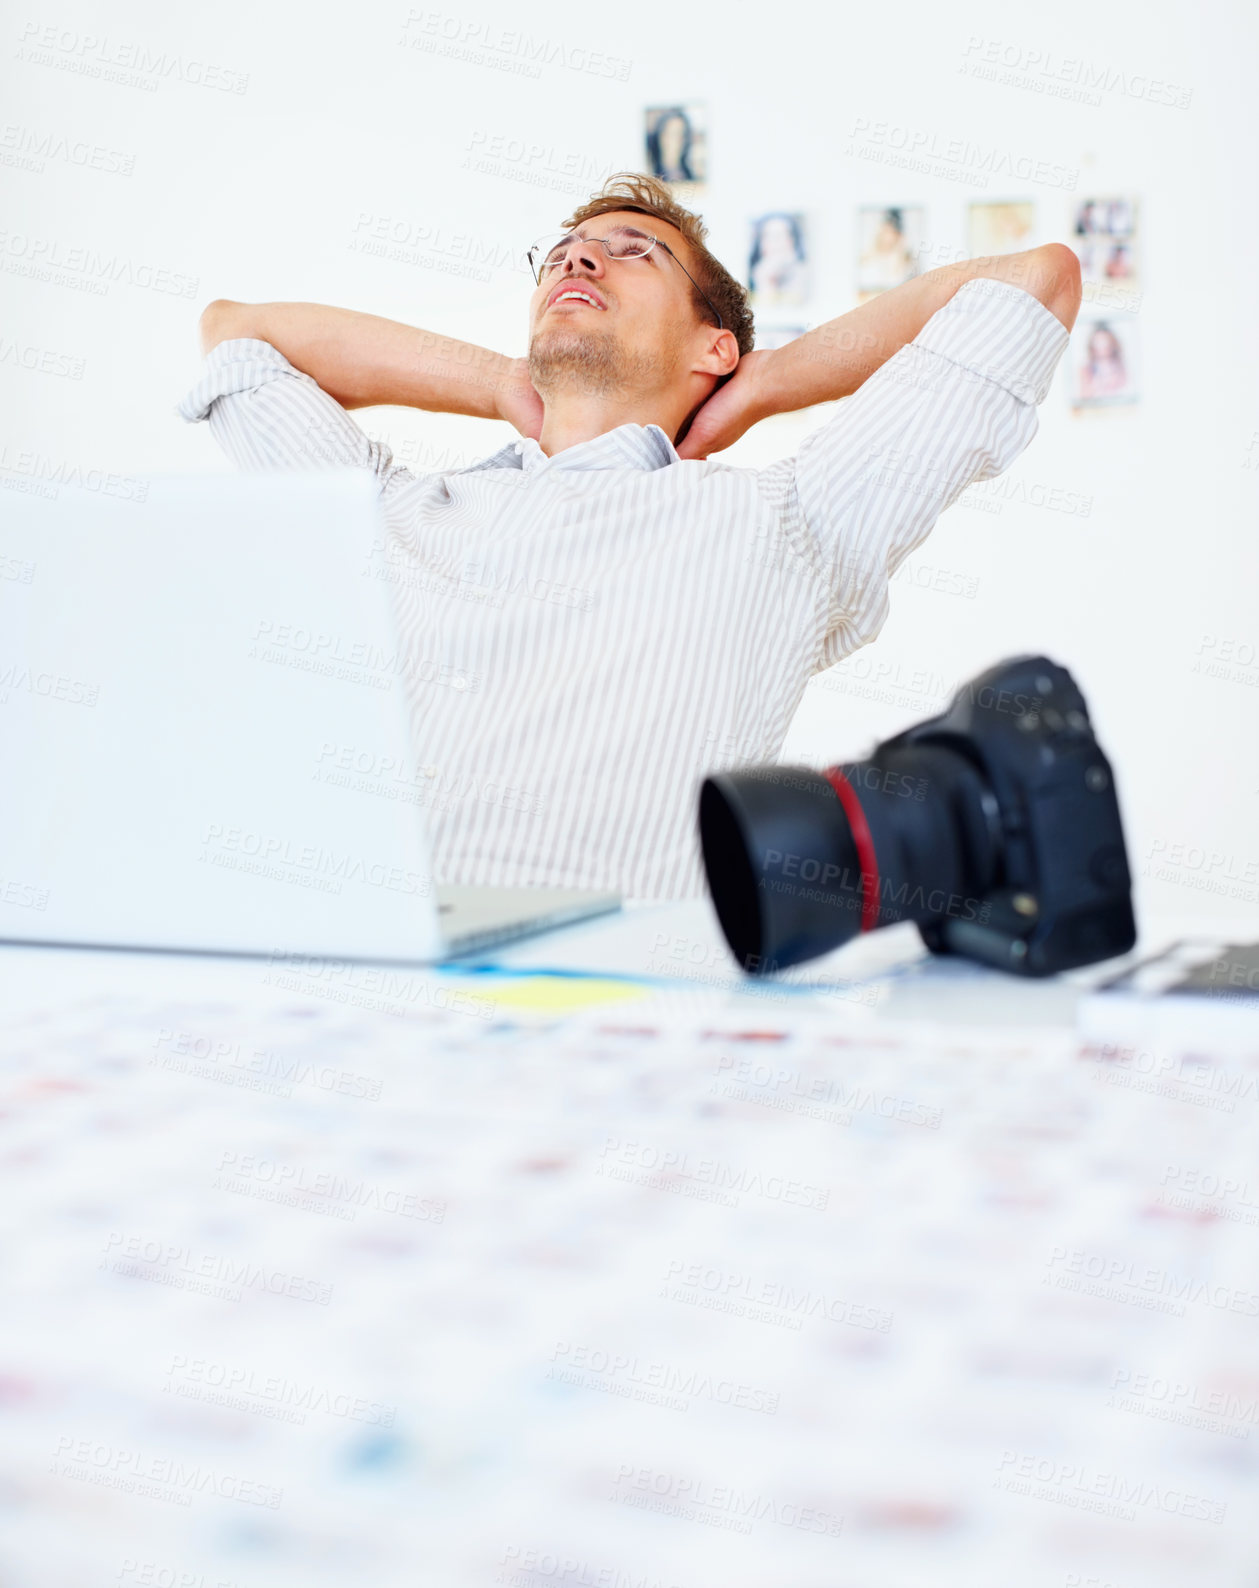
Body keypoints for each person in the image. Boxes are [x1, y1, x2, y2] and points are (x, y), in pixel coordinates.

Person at [180, 171, 1081, 900]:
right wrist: (500, 380)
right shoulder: (393, 508)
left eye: (631, 253)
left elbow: (1032, 283)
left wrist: (764, 384)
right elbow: (236, 336)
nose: (580, 261)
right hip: (327, 1000)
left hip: (596, 1035)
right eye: (563, 256)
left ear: (712, 346)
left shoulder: (787, 518)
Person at [749, 213, 808, 306]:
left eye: (777, 236)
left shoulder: (803, 273)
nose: (771, 243)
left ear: (791, 241)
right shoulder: (756, 273)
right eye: (766, 236)